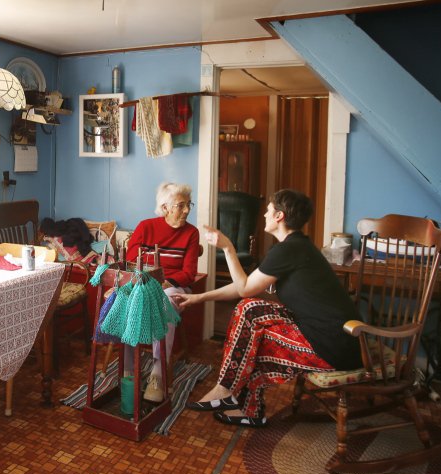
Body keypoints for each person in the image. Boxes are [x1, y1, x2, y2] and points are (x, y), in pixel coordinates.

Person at [174, 189, 361, 427]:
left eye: (268, 210)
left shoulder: (289, 249)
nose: (264, 215)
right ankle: (247, 409)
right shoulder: (292, 247)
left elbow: (244, 290)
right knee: (251, 313)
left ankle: (227, 390)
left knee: (249, 312)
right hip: (322, 333)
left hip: (333, 344)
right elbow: (247, 286)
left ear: (279, 216)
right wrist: (199, 298)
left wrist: (228, 248)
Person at [123, 182, 200, 402]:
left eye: (188, 205)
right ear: (165, 207)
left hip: (174, 286)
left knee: (164, 305)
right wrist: (151, 281)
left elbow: (189, 273)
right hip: (145, 283)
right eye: (181, 205)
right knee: (128, 304)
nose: (186, 210)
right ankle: (129, 371)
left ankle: (157, 374)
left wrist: (166, 282)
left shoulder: (191, 233)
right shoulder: (146, 227)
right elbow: (131, 262)